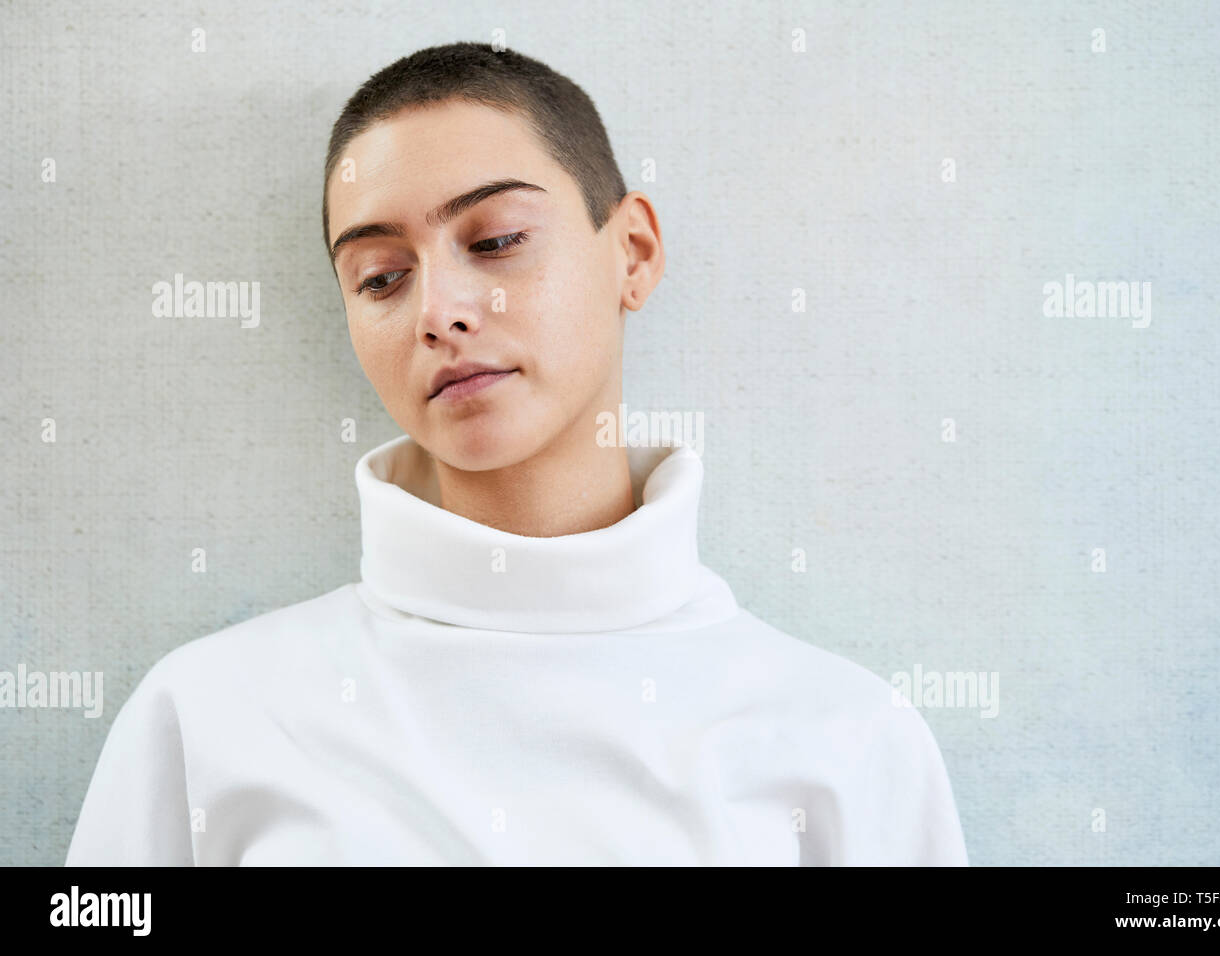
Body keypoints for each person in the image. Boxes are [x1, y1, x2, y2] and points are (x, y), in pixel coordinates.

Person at [65, 41, 969, 866]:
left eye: (496, 241)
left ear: (635, 253)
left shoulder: (846, 739)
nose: (440, 311)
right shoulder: (207, 719)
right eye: (381, 276)